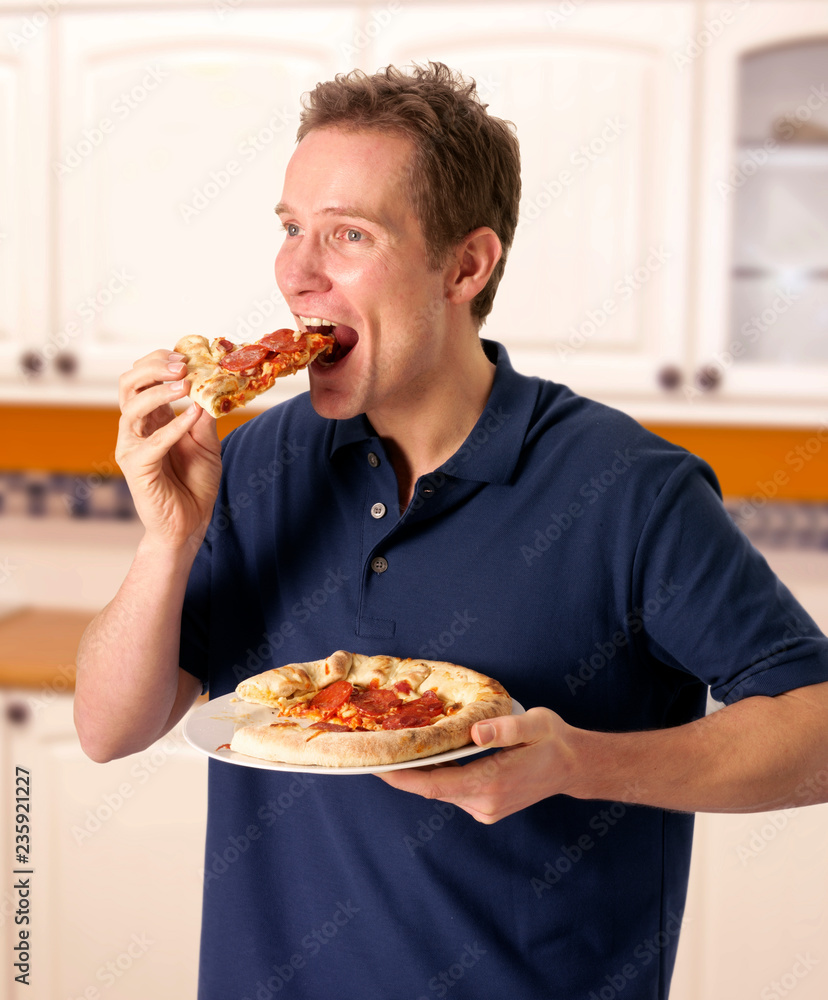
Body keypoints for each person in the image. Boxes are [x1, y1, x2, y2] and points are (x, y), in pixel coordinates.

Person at [75, 62, 828, 1000]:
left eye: (349, 234)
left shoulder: (628, 488)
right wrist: (165, 539)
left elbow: (817, 727)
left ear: (466, 266)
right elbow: (107, 729)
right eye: (290, 229)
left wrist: (579, 763)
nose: (297, 273)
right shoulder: (254, 459)